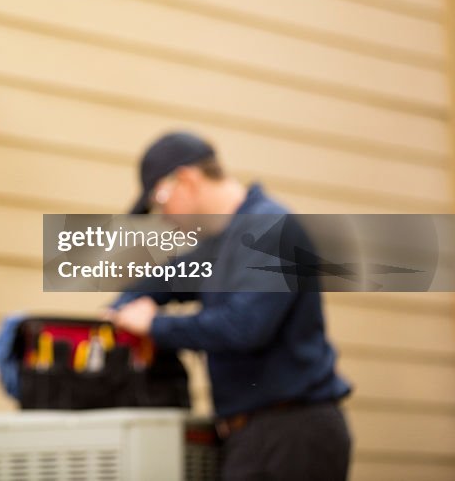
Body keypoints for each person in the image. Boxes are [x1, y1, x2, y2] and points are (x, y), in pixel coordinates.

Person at [108, 131, 352, 481]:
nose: (163, 216)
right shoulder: (221, 244)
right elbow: (163, 281)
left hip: (294, 435)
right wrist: (121, 309)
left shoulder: (270, 228)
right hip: (250, 434)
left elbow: (245, 326)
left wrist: (155, 326)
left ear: (187, 180)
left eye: (161, 202)